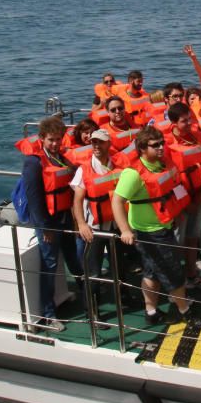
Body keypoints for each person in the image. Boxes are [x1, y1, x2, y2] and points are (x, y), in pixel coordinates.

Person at [111, 126, 201, 328]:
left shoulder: (161, 165)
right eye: (155, 145)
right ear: (143, 149)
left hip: (165, 226)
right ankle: (185, 311)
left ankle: (151, 312)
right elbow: (117, 201)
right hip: (150, 233)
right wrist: (125, 230)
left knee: (152, 272)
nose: (161, 147)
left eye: (162, 143)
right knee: (173, 273)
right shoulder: (133, 174)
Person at [21, 116, 84, 332]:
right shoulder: (33, 162)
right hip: (48, 222)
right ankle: (48, 314)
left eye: (58, 139)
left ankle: (88, 297)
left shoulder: (61, 157)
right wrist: (44, 227)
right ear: (41, 139)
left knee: (74, 259)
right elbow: (34, 197)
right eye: (50, 140)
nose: (55, 144)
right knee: (49, 264)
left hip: (65, 217)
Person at [70, 129, 141, 315]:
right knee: (94, 272)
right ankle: (92, 310)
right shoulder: (84, 169)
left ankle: (124, 296)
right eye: (93, 142)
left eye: (100, 142)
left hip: (117, 226)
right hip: (95, 228)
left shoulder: (118, 166)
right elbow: (77, 199)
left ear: (109, 144)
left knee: (120, 266)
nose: (96, 146)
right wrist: (82, 225)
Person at [164, 102, 201, 291]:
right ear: (174, 123)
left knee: (193, 238)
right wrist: (185, 202)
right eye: (184, 121)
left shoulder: (197, 136)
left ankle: (192, 275)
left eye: (190, 119)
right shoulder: (167, 144)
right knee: (177, 241)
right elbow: (168, 178)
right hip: (180, 202)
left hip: (198, 195)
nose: (189, 123)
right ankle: (175, 284)